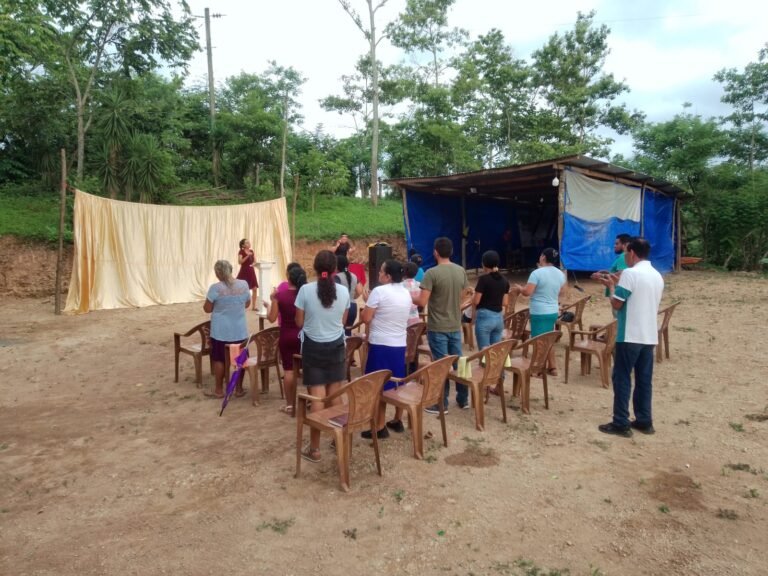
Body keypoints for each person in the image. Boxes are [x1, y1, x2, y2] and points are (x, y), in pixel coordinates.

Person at [596, 237, 664, 437]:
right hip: (649, 335)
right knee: (644, 379)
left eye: (626, 252)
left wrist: (611, 287)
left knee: (622, 377)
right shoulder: (657, 275)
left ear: (632, 253)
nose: (625, 256)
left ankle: (620, 422)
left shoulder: (630, 273)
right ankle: (644, 420)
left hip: (629, 334)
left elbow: (617, 304)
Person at [294, 250, 350, 463]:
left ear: (315, 268)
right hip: (336, 346)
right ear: (335, 269)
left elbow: (299, 322)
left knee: (317, 396)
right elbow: (343, 322)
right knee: (335, 393)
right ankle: (339, 439)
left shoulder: (305, 291)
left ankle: (315, 449)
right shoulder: (344, 292)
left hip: (313, 347)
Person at [413, 237, 472, 413]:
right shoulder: (461, 271)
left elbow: (422, 301)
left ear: (435, 252)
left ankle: (441, 403)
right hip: (454, 324)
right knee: (459, 361)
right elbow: (464, 294)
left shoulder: (432, 273)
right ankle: (463, 399)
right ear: (451, 252)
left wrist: (409, 296)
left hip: (438, 326)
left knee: (440, 364)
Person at [360, 260, 412, 438]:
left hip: (381, 344)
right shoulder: (406, 293)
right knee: (396, 384)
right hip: (399, 344)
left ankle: (379, 426)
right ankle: (397, 420)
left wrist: (367, 303)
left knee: (378, 385)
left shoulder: (379, 292)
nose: (378, 274)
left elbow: (366, 318)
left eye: (381, 272)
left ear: (388, 276)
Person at [510, 247, 566, 375]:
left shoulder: (537, 273)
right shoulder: (560, 274)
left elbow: (527, 292)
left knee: (539, 340)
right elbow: (562, 292)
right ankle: (553, 367)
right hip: (553, 310)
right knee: (548, 337)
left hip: (539, 311)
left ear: (543, 258)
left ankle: (537, 368)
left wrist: (520, 288)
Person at [203, 260, 251, 398]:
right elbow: (247, 303)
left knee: (219, 359)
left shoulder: (215, 288)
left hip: (221, 331)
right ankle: (239, 389)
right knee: (240, 360)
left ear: (218, 273)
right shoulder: (244, 284)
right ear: (231, 270)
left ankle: (219, 390)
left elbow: (207, 308)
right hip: (239, 329)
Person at [265, 263, 307, 415]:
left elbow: (271, 318)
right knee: (308, 368)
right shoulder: (306, 294)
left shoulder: (280, 296)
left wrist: (271, 301)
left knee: (289, 371)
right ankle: (310, 400)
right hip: (304, 335)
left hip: (287, 335)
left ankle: (290, 405)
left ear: (288, 279)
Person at [473, 250, 510, 351]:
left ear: (484, 264)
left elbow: (476, 301)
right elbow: (505, 303)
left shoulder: (483, 279)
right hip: (498, 318)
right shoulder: (505, 280)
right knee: (495, 352)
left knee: (484, 353)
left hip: (484, 317)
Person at [592, 233, 631, 298]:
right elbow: (618, 272)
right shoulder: (623, 256)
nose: (614, 246)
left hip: (618, 293)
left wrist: (602, 275)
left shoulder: (623, 257)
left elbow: (621, 274)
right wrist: (607, 272)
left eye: (617, 244)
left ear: (624, 245)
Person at [335, 254, 364, 335]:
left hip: (341, 308)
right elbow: (359, 291)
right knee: (348, 333)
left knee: (339, 333)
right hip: (353, 307)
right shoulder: (354, 276)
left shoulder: (337, 277)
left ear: (336, 265)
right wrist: (352, 297)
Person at [236, 239, 259, 311]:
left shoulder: (252, 251)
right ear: (243, 245)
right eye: (247, 242)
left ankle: (254, 306)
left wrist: (254, 264)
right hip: (244, 271)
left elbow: (255, 261)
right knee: (242, 289)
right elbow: (240, 262)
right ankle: (241, 305)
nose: (249, 243)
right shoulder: (241, 251)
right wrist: (247, 256)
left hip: (251, 271)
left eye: (249, 242)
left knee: (254, 289)